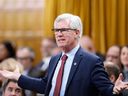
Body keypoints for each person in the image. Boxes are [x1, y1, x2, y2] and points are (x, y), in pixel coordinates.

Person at [0, 13, 128, 96]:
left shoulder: (92, 61)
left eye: (63, 30)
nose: (58, 34)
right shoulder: (55, 59)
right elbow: (45, 86)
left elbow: (105, 90)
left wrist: (114, 90)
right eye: (56, 30)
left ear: (77, 33)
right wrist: (18, 77)